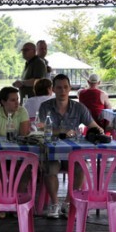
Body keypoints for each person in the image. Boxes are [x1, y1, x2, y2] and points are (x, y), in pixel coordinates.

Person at [38, 74, 103, 219]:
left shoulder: (79, 108)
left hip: (72, 153)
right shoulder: (45, 107)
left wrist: (96, 132)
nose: (63, 91)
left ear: (70, 89)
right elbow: (40, 129)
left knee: (80, 166)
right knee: (50, 167)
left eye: (66, 87)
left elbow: (95, 127)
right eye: (59, 87)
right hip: (52, 151)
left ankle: (67, 203)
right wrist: (61, 131)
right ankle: (54, 203)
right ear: (53, 89)